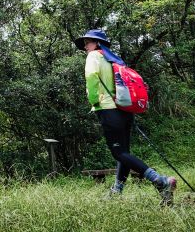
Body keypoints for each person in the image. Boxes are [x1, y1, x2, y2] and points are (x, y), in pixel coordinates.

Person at [74, 29, 176, 205]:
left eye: (88, 42)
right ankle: (116, 191)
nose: (85, 46)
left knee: (119, 152)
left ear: (97, 43)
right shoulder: (115, 60)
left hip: (107, 108)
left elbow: (91, 78)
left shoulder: (94, 57)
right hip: (124, 109)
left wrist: (94, 101)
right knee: (123, 153)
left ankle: (160, 181)